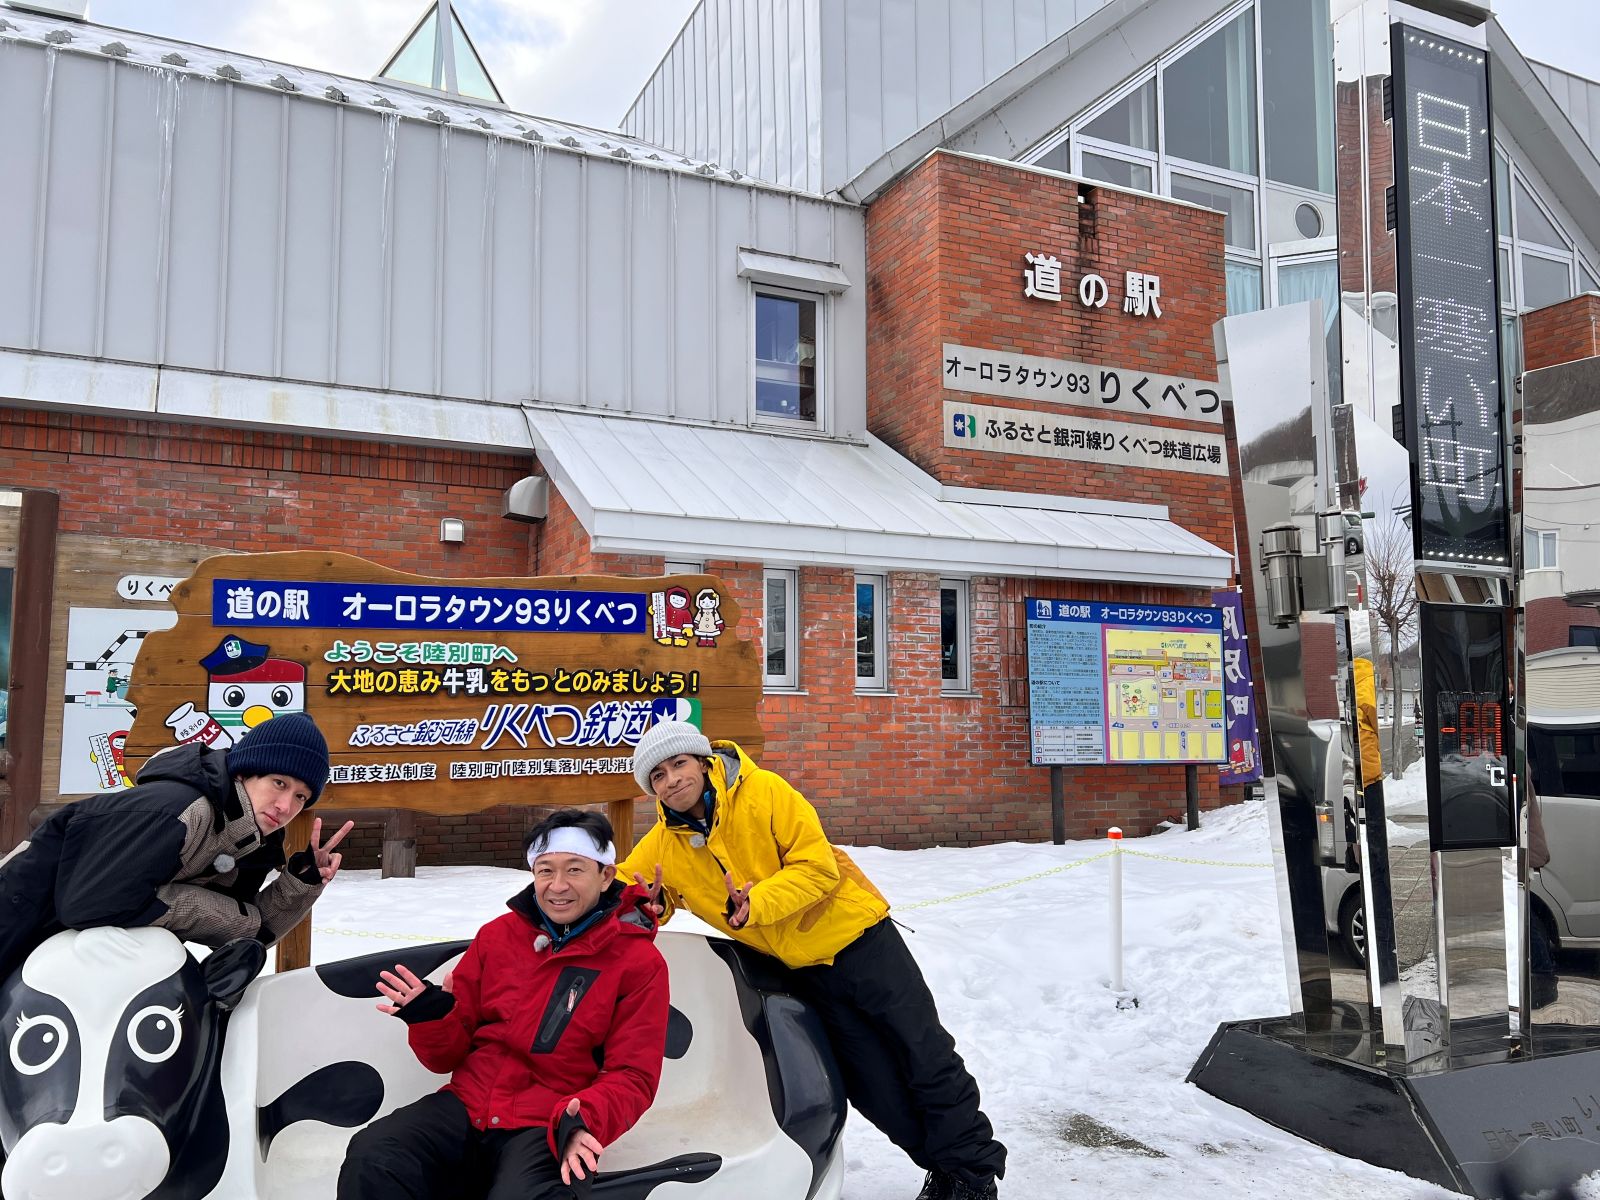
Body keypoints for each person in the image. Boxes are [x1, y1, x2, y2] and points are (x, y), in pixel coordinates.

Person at [620, 721, 1006, 1200]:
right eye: (657, 775)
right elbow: (626, 886)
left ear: (702, 762)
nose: (672, 779)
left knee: (923, 1056)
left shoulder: (764, 792)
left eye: (679, 764)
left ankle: (973, 1175)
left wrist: (756, 903)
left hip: (861, 944)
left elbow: (817, 867)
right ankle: (942, 1168)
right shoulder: (664, 842)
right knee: (868, 1082)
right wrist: (647, 906)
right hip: (802, 974)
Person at [339, 810, 669, 1200]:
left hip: (547, 1120)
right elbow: (445, 1056)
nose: (557, 885)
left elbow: (633, 1075)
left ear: (606, 876)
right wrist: (432, 1016)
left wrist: (583, 1121)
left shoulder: (638, 963)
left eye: (575, 870)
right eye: (545, 870)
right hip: (468, 1103)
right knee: (374, 1157)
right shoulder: (498, 936)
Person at [0, 711, 350, 981]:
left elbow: (243, 930)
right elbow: (89, 906)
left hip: (68, 964)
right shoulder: (176, 808)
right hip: (16, 927)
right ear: (244, 772)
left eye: (301, 796)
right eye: (279, 783)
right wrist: (191, 907)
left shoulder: (253, 843)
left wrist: (300, 884)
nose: (285, 806)